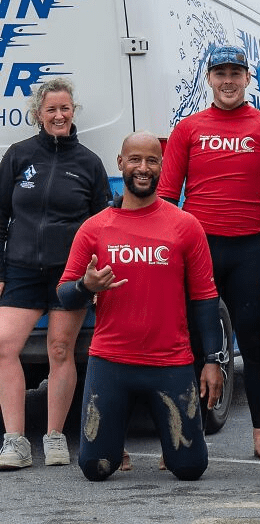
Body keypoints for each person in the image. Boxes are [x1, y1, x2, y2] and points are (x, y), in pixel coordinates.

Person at [56, 131, 223, 481]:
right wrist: (86, 286)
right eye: (134, 159)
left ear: (162, 167)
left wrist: (212, 360)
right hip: (111, 362)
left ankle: (170, 445)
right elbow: (64, 295)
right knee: (96, 468)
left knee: (190, 469)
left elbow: (205, 298)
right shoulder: (94, 228)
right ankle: (114, 442)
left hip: (171, 362)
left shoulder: (185, 225)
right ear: (120, 163)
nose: (142, 168)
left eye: (151, 160)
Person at [158, 45, 260, 461]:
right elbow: (166, 197)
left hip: (248, 251)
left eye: (236, 72)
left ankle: (259, 436)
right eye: (220, 73)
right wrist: (165, 255)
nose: (228, 80)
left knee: (253, 346)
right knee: (188, 345)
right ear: (209, 78)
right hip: (197, 251)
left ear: (247, 79)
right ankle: (186, 435)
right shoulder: (188, 129)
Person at [0, 78, 110, 470]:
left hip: (71, 274)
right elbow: (1, 216)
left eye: (65, 108)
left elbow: (102, 225)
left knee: (60, 350)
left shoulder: (89, 163)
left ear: (73, 112)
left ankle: (55, 436)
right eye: (51, 110)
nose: (59, 115)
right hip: (22, 270)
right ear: (38, 115)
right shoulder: (17, 155)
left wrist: (95, 278)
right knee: (3, 346)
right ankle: (15, 441)